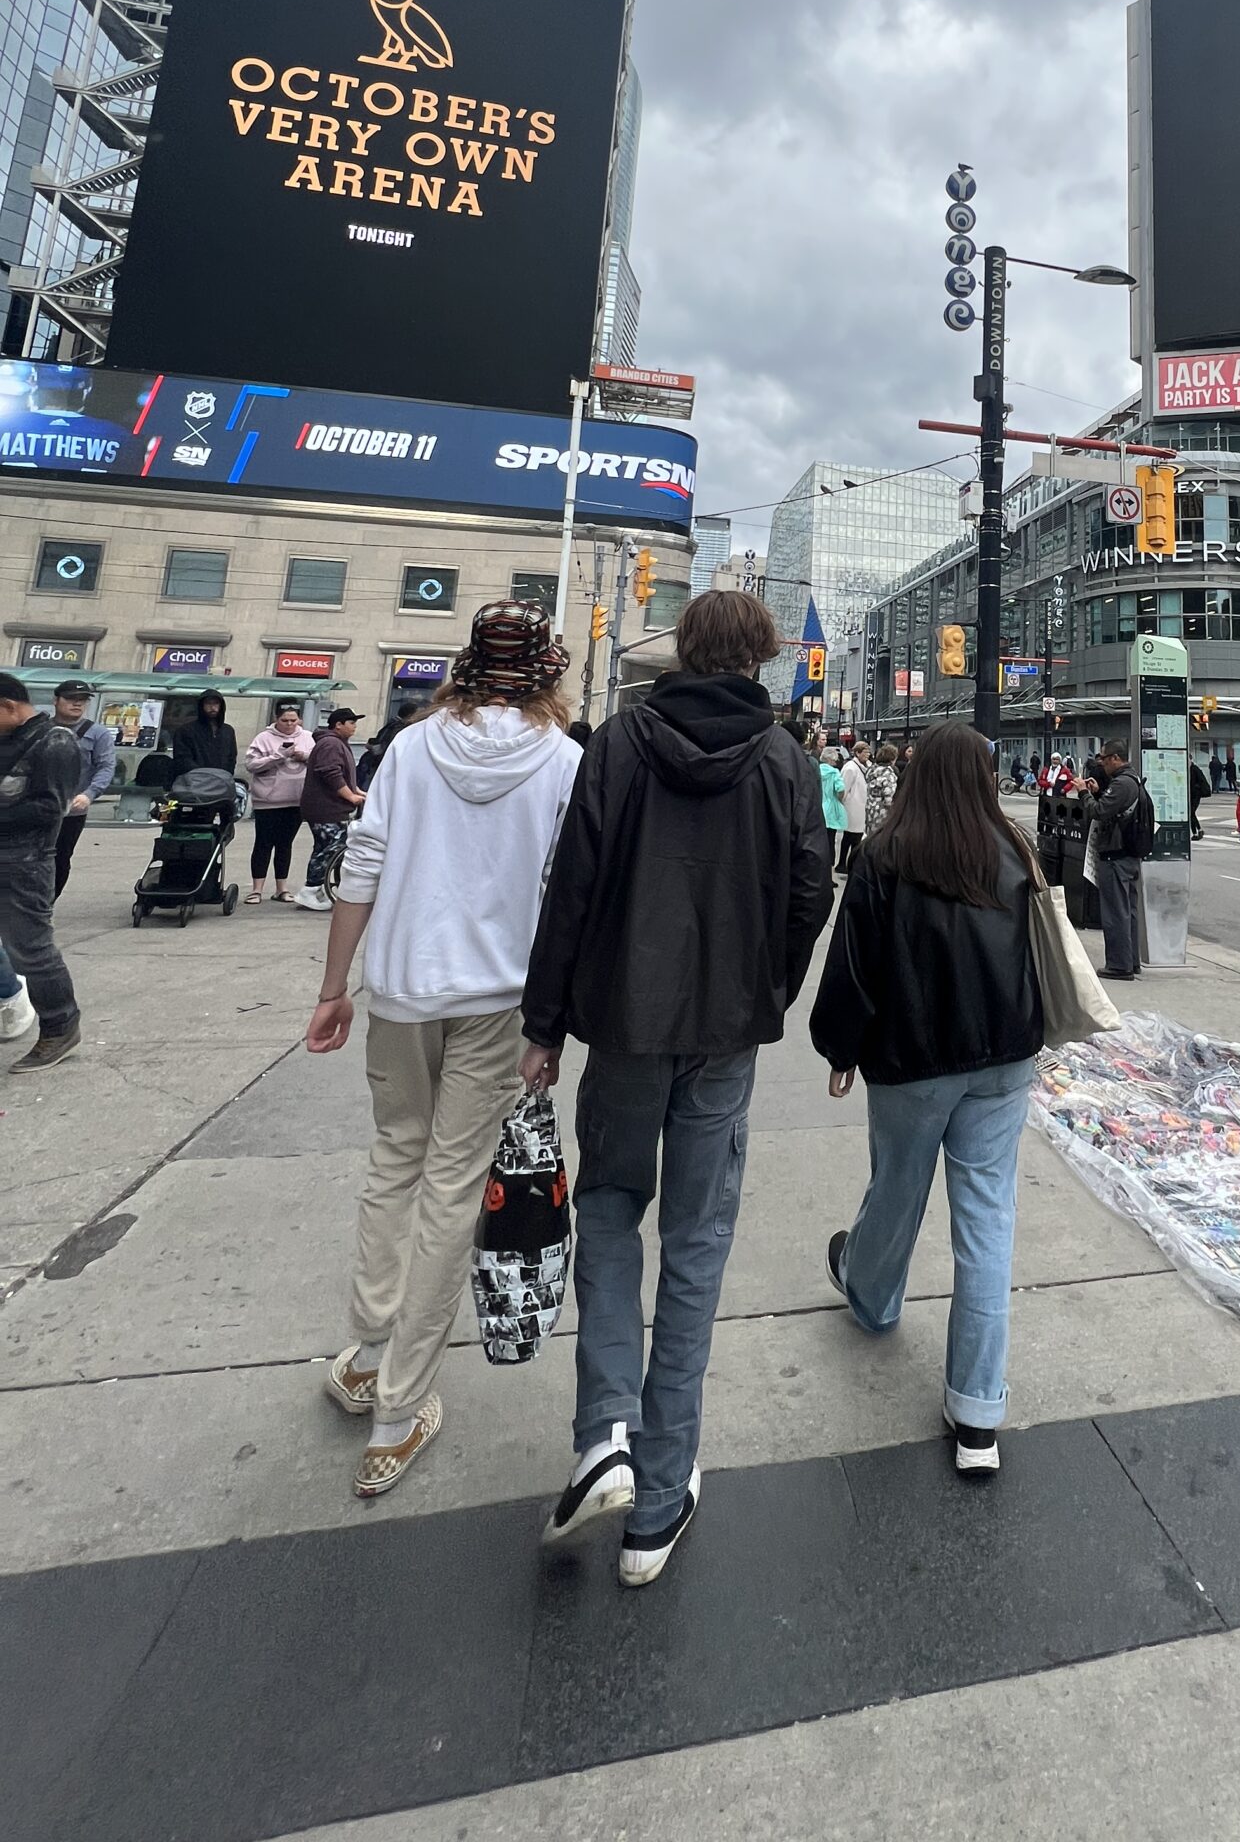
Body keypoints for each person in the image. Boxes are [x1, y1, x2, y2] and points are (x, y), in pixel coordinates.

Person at [520, 590, 833, 1587]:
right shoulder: (787, 759)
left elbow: (572, 881)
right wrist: (766, 988)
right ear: (763, 657)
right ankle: (657, 1500)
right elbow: (808, 890)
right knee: (696, 1241)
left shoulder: (620, 740)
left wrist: (544, 1022)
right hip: (724, 1032)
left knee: (609, 1206)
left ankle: (604, 1430)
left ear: (688, 649)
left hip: (623, 1022)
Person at [305, 602, 581, 1499]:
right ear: (547, 673)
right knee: (456, 1183)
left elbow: (363, 862)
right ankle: (399, 1409)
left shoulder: (414, 748)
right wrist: (554, 1023)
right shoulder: (566, 763)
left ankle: (368, 1352)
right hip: (501, 999)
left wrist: (334, 986)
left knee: (396, 1160)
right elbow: (563, 892)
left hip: (402, 988)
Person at [811, 719, 1044, 1476]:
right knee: (987, 1221)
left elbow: (854, 961)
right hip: (1004, 1058)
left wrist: (841, 1047)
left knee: (897, 1190)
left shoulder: (885, 855)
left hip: (913, 1059)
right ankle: (978, 1415)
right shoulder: (1015, 852)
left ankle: (872, 1298)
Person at [0, 671, 84, 1069]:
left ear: (9, 706)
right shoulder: (8, 739)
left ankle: (59, 1027)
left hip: (25, 864)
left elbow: (51, 808)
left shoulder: (55, 741)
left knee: (31, 952)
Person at [294, 706, 365, 909]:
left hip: (329, 807)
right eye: (351, 723)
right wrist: (350, 795)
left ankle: (318, 889)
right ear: (338, 725)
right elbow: (330, 773)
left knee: (326, 847)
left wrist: (356, 791)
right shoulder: (331, 744)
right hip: (325, 808)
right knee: (331, 848)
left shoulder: (337, 743)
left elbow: (341, 774)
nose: (354, 727)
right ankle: (311, 888)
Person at [51, 680, 117, 900]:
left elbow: (106, 767)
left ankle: (48, 903)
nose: (77, 704)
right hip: (39, 807)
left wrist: (89, 794)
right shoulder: (42, 730)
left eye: (82, 700)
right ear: (56, 700)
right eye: (71, 699)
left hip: (73, 811)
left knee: (60, 858)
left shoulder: (97, 733)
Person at [1089, 741, 1148, 981]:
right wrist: (1099, 793)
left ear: (1115, 758)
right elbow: (1112, 807)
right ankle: (1130, 961)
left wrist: (1084, 793)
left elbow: (1099, 811)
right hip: (1128, 855)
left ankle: (1119, 965)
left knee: (1116, 912)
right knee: (1128, 911)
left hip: (1116, 855)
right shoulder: (1132, 780)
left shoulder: (1122, 783)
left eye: (1103, 759)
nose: (1101, 763)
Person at [242, 700, 313, 902]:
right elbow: (251, 764)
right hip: (268, 801)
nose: (289, 724)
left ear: (299, 718)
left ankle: (282, 888)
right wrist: (278, 756)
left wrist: (305, 756)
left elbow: (319, 760)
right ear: (276, 718)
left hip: (297, 800)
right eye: (285, 720)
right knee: (263, 843)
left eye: (293, 720)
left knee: (285, 844)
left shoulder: (308, 737)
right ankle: (257, 889)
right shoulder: (263, 738)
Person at [171, 688, 237, 777]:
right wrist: (202, 775)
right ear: (201, 706)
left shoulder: (228, 731)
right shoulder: (186, 731)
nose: (212, 707)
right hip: (195, 782)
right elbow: (183, 759)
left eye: (216, 703)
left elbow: (231, 758)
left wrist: (226, 775)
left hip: (221, 782)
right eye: (208, 703)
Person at [837, 742, 868, 872]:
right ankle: (843, 864)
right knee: (850, 837)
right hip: (852, 807)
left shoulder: (866, 767)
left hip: (861, 806)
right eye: (865, 752)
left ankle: (849, 864)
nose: (868, 755)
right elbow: (844, 788)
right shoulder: (850, 768)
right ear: (857, 753)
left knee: (856, 837)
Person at [866, 740, 900, 836]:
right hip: (883, 813)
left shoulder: (872, 771)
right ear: (893, 758)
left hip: (871, 810)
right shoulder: (888, 773)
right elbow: (889, 798)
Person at [1187, 755, 1209, 840]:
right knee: (1191, 813)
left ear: (1191, 760)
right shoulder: (1186, 769)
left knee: (1191, 813)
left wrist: (1196, 788)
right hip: (1190, 794)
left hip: (1195, 795)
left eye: (1188, 759)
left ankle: (1197, 832)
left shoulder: (1195, 769)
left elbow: (1201, 781)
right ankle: (1197, 831)